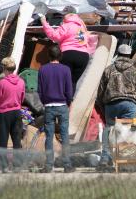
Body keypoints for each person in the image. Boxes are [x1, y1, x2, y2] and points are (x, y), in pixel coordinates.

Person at [96, 44, 136, 170]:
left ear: (117, 54)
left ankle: (104, 159)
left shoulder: (108, 69)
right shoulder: (135, 71)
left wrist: (102, 107)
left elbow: (100, 91)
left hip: (111, 104)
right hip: (130, 104)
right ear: (129, 55)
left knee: (109, 130)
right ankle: (123, 161)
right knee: (127, 131)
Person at [38, 45, 75, 173]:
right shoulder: (66, 69)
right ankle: (67, 165)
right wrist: (69, 101)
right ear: (60, 56)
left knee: (49, 136)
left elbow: (40, 91)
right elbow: (69, 89)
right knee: (65, 135)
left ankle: (48, 165)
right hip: (62, 105)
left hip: (49, 106)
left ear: (49, 55)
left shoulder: (43, 69)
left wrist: (45, 102)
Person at [41, 13, 90, 93]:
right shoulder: (81, 27)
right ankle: (69, 102)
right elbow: (83, 42)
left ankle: (60, 101)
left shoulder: (66, 25)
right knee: (73, 82)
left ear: (66, 17)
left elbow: (54, 36)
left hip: (69, 53)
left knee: (63, 80)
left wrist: (44, 23)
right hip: (83, 56)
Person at [0, 57, 25, 149]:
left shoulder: (2, 83)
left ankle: (3, 163)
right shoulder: (21, 82)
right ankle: (17, 162)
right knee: (16, 141)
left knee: (2, 141)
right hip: (16, 112)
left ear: (4, 68)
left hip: (4, 114)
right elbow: (22, 98)